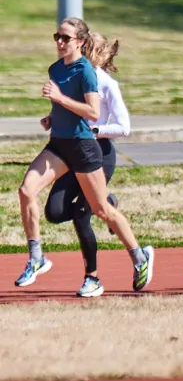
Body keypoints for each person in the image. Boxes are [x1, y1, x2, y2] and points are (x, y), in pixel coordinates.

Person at [15, 17, 154, 292]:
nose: (59, 42)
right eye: (57, 36)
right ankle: (37, 257)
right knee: (26, 191)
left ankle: (139, 256)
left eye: (65, 38)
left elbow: (91, 112)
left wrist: (59, 98)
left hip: (83, 147)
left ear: (80, 41)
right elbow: (65, 107)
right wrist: (52, 118)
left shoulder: (87, 72)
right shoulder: (55, 68)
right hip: (59, 144)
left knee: (102, 209)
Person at [44, 32, 129, 297]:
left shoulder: (105, 83)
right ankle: (106, 204)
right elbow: (71, 110)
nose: (87, 50)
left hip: (98, 153)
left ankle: (92, 278)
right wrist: (52, 118)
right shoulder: (76, 75)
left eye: (93, 46)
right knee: (55, 212)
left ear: (102, 54)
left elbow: (124, 127)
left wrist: (96, 130)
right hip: (73, 150)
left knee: (82, 218)